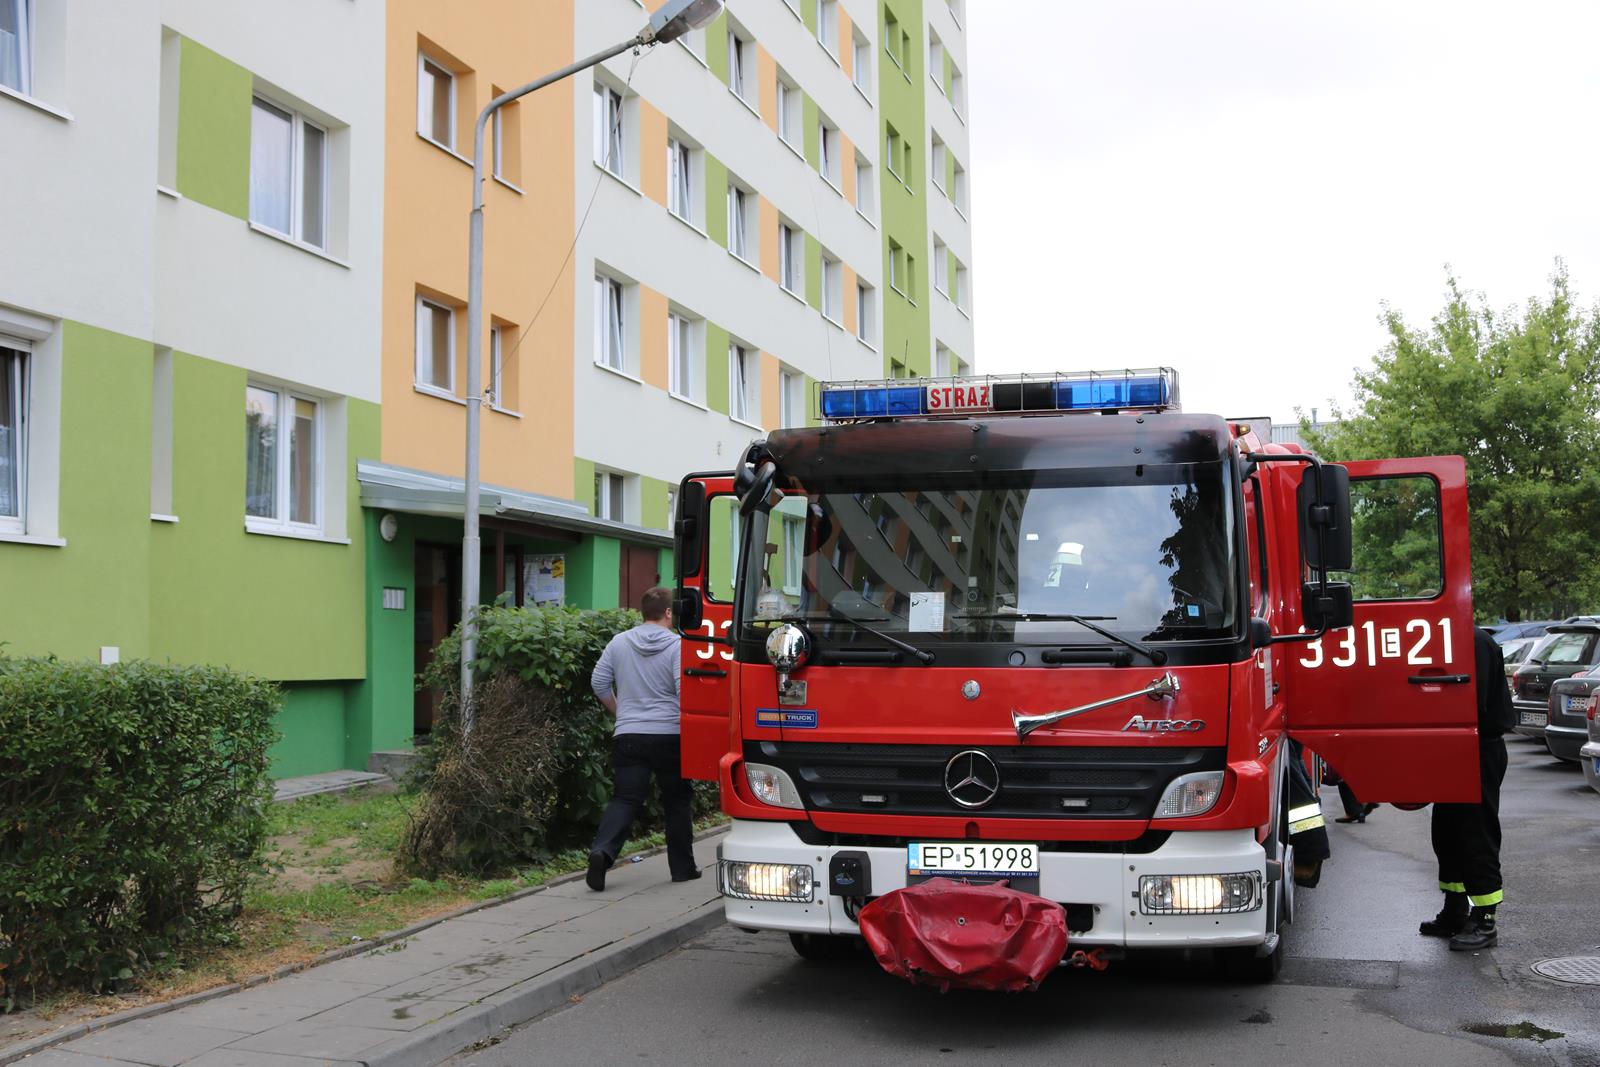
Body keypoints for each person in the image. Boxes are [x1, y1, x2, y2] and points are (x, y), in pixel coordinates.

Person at [586, 587, 700, 891]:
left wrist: (621, 711)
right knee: (676, 800)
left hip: (630, 734)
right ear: (667, 613)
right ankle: (682, 869)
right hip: (669, 736)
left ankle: (602, 852)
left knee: (625, 798)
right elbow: (683, 689)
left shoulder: (619, 642)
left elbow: (598, 682)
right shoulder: (678, 645)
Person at [1420, 626, 1516, 949]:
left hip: (1479, 749)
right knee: (1447, 832)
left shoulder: (1474, 643)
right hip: (1458, 748)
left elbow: (1471, 701)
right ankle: (1455, 910)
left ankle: (1485, 919)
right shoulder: (1452, 641)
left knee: (1477, 834)